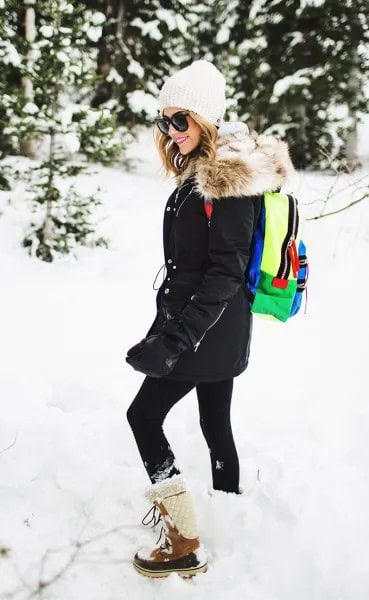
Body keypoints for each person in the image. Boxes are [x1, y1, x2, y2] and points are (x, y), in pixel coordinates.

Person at [125, 59, 295, 579]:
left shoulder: (226, 182)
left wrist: (174, 340)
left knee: (142, 417)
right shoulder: (197, 174)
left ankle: (182, 540)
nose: (170, 131)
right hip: (218, 330)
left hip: (203, 331)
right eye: (164, 121)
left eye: (181, 120)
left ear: (207, 119)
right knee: (214, 423)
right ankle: (230, 513)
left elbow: (224, 271)